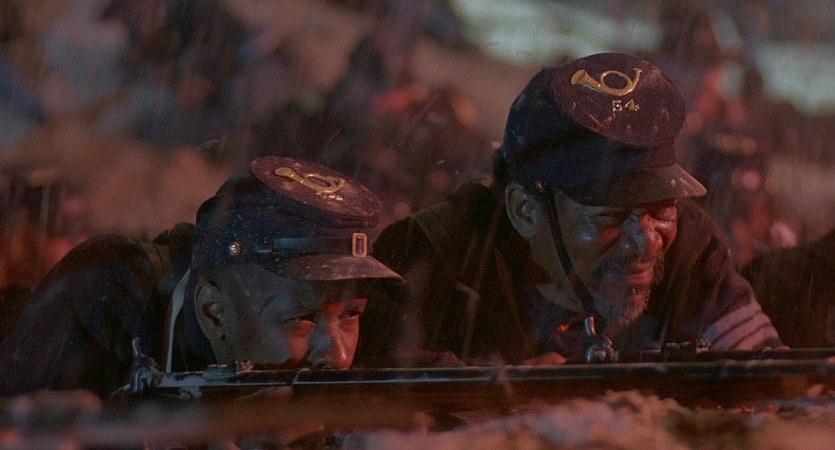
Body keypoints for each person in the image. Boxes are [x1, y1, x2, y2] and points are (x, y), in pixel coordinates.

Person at [359, 53, 783, 368]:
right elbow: (371, 409)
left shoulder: (689, 247)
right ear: (526, 212)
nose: (646, 241)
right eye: (611, 216)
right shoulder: (427, 258)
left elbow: (770, 384)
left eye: (661, 210)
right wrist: (498, 405)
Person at [0, 156, 403, 399]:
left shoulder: (348, 353)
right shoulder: (109, 296)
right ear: (213, 312)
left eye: (351, 315)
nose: (338, 356)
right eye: (304, 319)